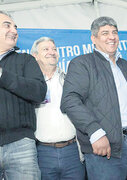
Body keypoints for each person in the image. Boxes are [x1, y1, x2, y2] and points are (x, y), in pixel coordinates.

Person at [61, 16, 127, 180]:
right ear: (93, 38)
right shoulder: (82, 63)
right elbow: (70, 100)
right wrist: (95, 132)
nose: (111, 37)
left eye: (114, 32)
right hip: (104, 146)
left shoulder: (126, 65)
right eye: (105, 33)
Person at [0, 11, 47, 180]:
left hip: (20, 145)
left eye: (15, 27)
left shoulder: (26, 60)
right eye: (7, 25)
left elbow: (39, 92)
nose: (14, 30)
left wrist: (2, 75)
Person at [31, 37, 85, 180]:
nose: (52, 52)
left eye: (54, 49)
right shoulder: (29, 85)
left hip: (72, 151)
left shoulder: (69, 80)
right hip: (42, 153)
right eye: (46, 49)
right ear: (35, 56)